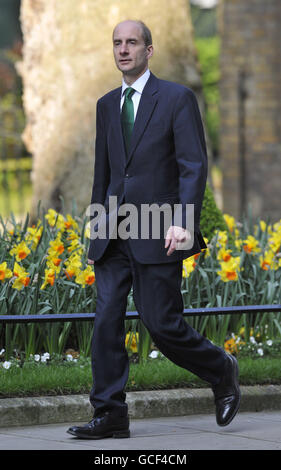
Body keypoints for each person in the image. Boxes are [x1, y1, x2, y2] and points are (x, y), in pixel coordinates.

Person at [67, 19, 240, 440]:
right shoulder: (106, 105)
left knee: (162, 325)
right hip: (114, 233)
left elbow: (192, 166)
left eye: (132, 42)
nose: (123, 49)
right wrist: (95, 233)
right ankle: (110, 413)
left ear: (149, 50)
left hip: (159, 230)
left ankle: (222, 369)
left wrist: (184, 222)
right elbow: (103, 174)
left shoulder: (177, 99)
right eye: (117, 43)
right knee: (106, 318)